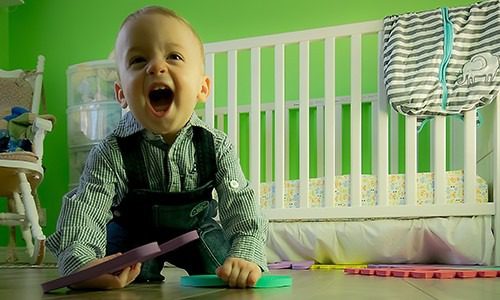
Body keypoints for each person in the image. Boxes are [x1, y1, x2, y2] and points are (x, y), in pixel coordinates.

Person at [47, 6, 268, 290]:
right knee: (112, 272)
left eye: (174, 56)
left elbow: (241, 205)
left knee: (228, 272)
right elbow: (86, 208)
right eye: (138, 60)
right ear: (121, 94)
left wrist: (246, 252)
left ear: (202, 88)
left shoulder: (217, 144)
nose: (156, 67)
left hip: (196, 231)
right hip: (134, 236)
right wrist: (81, 262)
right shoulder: (110, 151)